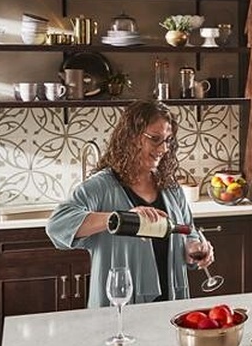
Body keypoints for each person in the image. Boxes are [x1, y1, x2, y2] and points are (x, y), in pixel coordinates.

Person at [46, 100, 214, 307]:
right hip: (119, 308)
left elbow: (188, 231)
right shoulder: (101, 187)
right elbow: (56, 226)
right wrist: (119, 219)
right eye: (155, 139)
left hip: (170, 306)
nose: (164, 149)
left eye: (168, 140)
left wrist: (192, 248)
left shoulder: (171, 189)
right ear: (131, 138)